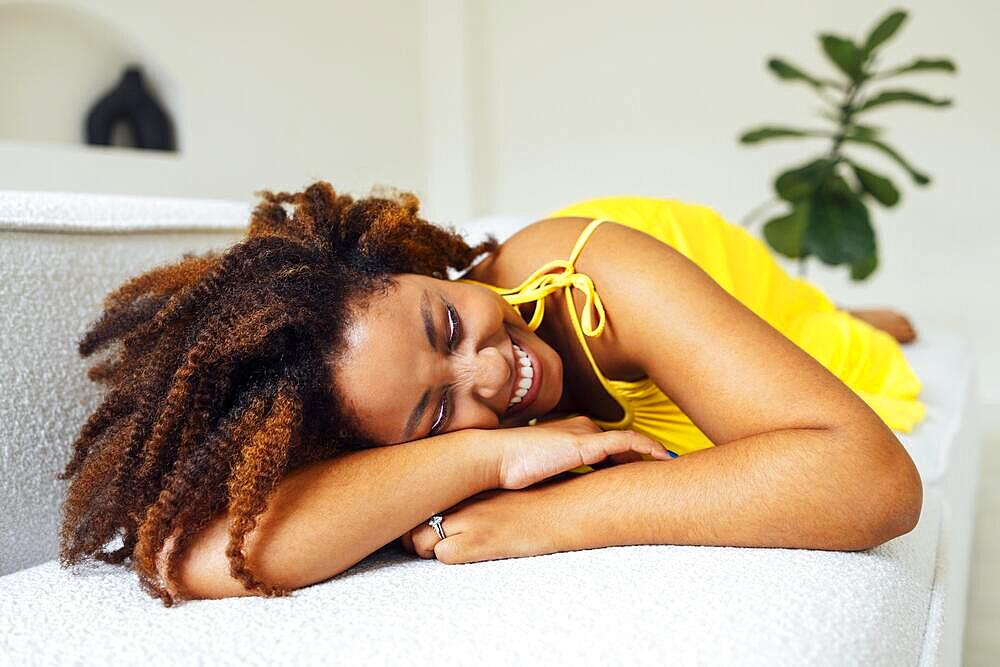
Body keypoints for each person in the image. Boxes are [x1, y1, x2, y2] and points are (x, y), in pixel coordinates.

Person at [57, 181, 924, 606]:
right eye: (436, 409)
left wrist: (558, 514)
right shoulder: (421, 430)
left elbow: (873, 481)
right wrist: (491, 450)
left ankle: (855, 313)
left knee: (839, 340)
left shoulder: (585, 280)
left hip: (685, 274)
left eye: (443, 323)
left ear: (417, 269)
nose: (487, 372)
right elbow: (191, 557)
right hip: (671, 323)